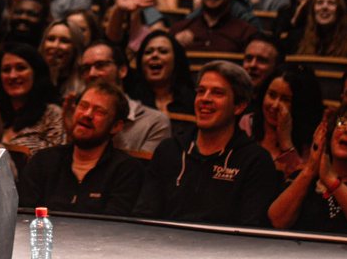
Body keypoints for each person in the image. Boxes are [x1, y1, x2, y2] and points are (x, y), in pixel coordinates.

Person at [134, 61, 281, 225]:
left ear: (239, 106)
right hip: (161, 246)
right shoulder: (169, 150)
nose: (205, 99)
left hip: (221, 249)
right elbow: (144, 216)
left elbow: (248, 231)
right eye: (201, 91)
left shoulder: (255, 160)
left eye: (217, 93)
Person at [19, 82, 145, 215]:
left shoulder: (126, 170)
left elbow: (113, 227)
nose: (87, 114)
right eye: (83, 106)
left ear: (116, 126)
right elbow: (23, 216)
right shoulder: (43, 161)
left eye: (99, 111)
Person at [267, 101, 347, 234]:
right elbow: (277, 221)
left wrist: (331, 180)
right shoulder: (304, 178)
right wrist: (310, 170)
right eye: (343, 123)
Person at [78, 41, 170, 155]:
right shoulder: (77, 115)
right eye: (86, 68)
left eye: (100, 65)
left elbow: (142, 172)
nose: (91, 73)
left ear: (122, 71)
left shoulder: (154, 122)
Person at [250, 65, 324, 179]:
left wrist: (286, 141)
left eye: (285, 99)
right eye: (272, 95)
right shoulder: (246, 124)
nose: (275, 105)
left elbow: (302, 182)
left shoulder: (312, 141)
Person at [0, 43, 66, 156]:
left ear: (36, 72)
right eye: (6, 70)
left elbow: (58, 160)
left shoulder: (52, 114)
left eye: (20, 68)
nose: (12, 76)